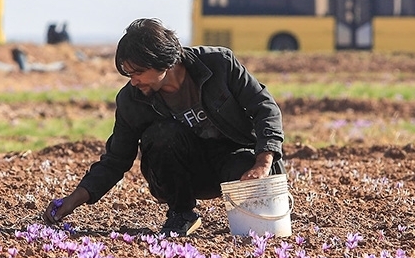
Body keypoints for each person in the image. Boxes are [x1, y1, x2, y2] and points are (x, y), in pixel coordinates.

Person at [45, 18, 284, 235]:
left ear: (163, 62)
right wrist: (73, 199)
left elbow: (265, 108)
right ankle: (182, 214)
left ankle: (260, 214)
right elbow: (116, 160)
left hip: (235, 164)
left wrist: (263, 163)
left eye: (138, 72)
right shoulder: (132, 100)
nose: (134, 81)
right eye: (128, 74)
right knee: (161, 136)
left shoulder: (219, 64)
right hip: (187, 174)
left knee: (252, 198)